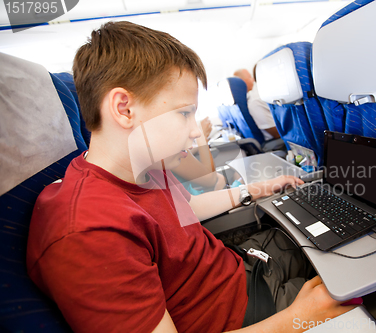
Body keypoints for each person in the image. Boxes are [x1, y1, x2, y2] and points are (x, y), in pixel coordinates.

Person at [26, 21, 356, 333]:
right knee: (373, 295)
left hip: (243, 267)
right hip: (246, 314)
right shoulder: (87, 232)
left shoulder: (147, 167)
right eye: (185, 113)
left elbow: (185, 212)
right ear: (124, 108)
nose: (197, 132)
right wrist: (299, 318)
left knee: (344, 240)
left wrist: (255, 190)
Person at [233, 68, 280, 140]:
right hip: (276, 141)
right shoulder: (255, 102)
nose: (253, 80)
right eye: (250, 77)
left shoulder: (253, 98)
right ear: (242, 82)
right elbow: (276, 134)